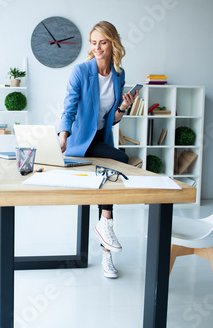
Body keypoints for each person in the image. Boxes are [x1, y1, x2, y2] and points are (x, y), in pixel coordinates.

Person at [57, 21, 138, 279]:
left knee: (108, 180)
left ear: (113, 43)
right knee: (120, 162)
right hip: (80, 141)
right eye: (94, 42)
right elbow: (68, 108)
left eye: (102, 42)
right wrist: (62, 136)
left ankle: (106, 250)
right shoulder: (81, 72)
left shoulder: (118, 73)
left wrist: (124, 107)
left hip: (101, 140)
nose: (97, 47)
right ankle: (106, 237)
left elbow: (112, 118)